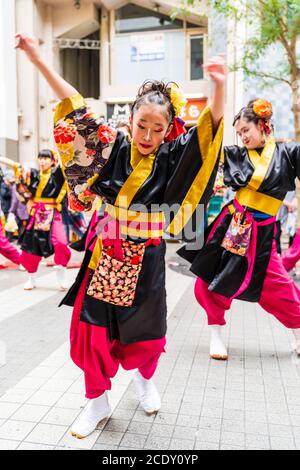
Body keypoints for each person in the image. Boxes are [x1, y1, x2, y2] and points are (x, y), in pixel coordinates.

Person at [15, 33, 225, 438]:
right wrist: (38, 57)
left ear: (168, 131)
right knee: (89, 332)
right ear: (130, 119)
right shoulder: (111, 147)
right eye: (141, 124)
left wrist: (219, 84)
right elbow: (74, 106)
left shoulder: (173, 156)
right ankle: (97, 400)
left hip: (145, 258)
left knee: (146, 334)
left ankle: (144, 380)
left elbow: (208, 133)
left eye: (157, 128)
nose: (147, 134)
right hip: (103, 253)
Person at [178, 99, 300, 360]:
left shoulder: (288, 154)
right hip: (233, 225)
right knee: (209, 281)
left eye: (246, 129)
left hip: (264, 232)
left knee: (278, 284)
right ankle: (215, 335)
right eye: (239, 132)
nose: (243, 136)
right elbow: (204, 153)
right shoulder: (234, 154)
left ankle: (298, 332)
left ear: (262, 124)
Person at [0, 149, 71, 290]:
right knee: (30, 247)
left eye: (46, 158)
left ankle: (61, 271)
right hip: (36, 213)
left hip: (53, 212)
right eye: (40, 158)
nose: (42, 161)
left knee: (61, 242)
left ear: (52, 161)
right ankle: (31, 277)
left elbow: (68, 163)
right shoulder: (32, 173)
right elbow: (16, 165)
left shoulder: (58, 173)